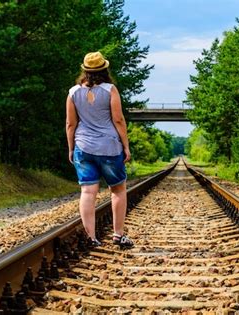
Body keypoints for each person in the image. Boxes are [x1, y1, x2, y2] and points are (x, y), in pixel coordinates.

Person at [66, 51, 134, 249]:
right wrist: (126, 146)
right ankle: (118, 235)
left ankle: (91, 238)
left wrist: (71, 148)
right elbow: (118, 119)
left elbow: (71, 124)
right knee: (118, 189)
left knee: (88, 191)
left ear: (85, 71)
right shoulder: (110, 90)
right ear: (105, 69)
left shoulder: (72, 93)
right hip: (109, 147)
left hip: (83, 147)